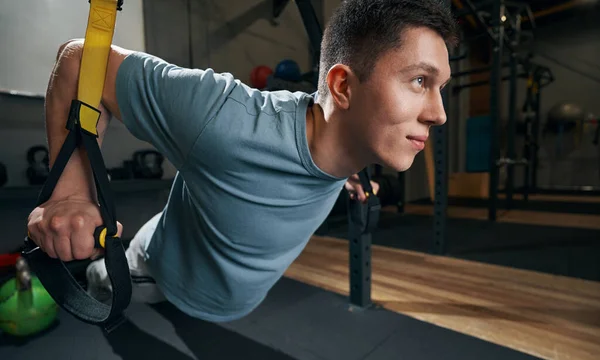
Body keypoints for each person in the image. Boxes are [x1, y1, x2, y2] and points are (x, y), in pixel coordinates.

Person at [27, 0, 458, 322]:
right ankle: (96, 274)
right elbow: (82, 60)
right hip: (155, 274)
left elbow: (322, 156)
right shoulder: (224, 115)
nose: (438, 113)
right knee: (107, 292)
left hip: (225, 304)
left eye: (439, 87)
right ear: (343, 86)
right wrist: (69, 193)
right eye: (420, 81)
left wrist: (348, 174)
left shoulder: (349, 145)